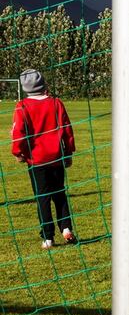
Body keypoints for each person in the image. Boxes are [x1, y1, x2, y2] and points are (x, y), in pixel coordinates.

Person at [10, 69, 77, 249]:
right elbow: (67, 129)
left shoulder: (22, 106)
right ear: (43, 84)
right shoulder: (56, 103)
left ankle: (48, 237)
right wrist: (68, 152)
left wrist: (18, 152)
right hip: (56, 158)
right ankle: (66, 227)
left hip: (37, 160)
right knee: (60, 193)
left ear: (25, 88)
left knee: (43, 198)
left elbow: (19, 133)